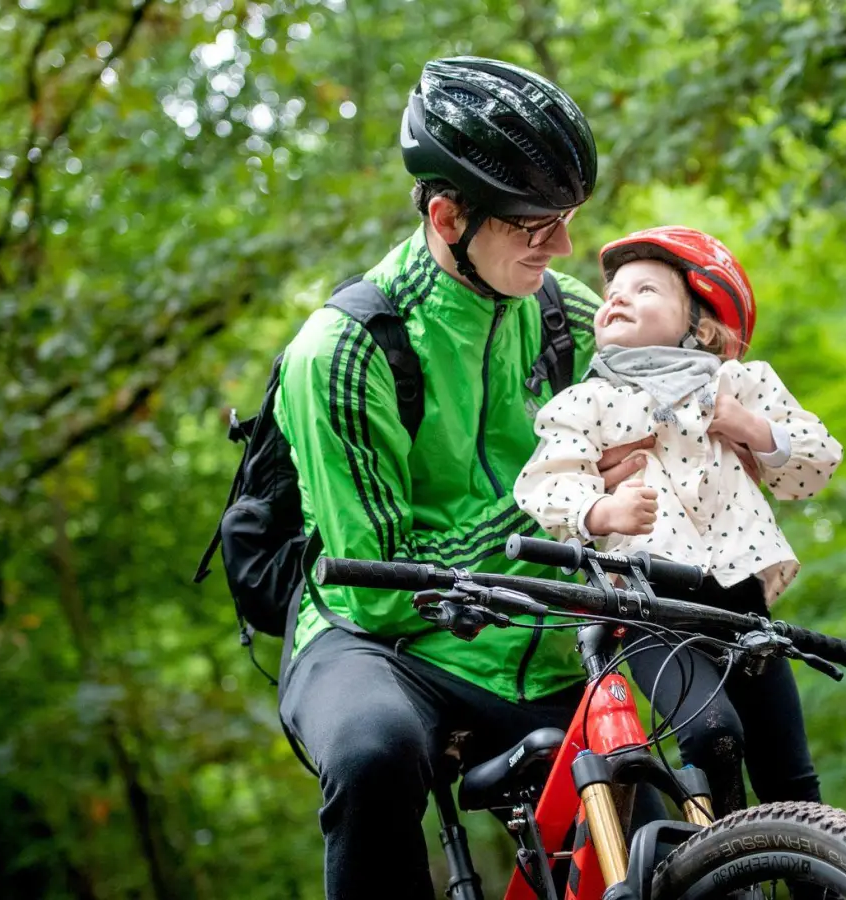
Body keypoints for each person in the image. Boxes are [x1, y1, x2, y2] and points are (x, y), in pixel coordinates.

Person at [273, 56, 658, 899]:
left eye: (566, 219)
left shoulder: (566, 317)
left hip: (544, 634)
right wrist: (560, 506)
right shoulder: (343, 352)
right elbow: (379, 580)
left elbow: (679, 396)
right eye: (533, 226)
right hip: (382, 644)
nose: (561, 247)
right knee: (372, 756)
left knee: (694, 753)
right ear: (448, 216)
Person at [513, 225, 844, 815]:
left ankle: (805, 866)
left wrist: (750, 428)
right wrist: (599, 510)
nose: (616, 296)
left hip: (740, 602)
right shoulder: (588, 401)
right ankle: (724, 865)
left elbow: (817, 462)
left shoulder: (737, 384)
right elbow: (547, 481)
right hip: (645, 607)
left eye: (645, 290)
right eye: (613, 288)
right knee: (712, 733)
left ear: (703, 326)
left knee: (790, 770)